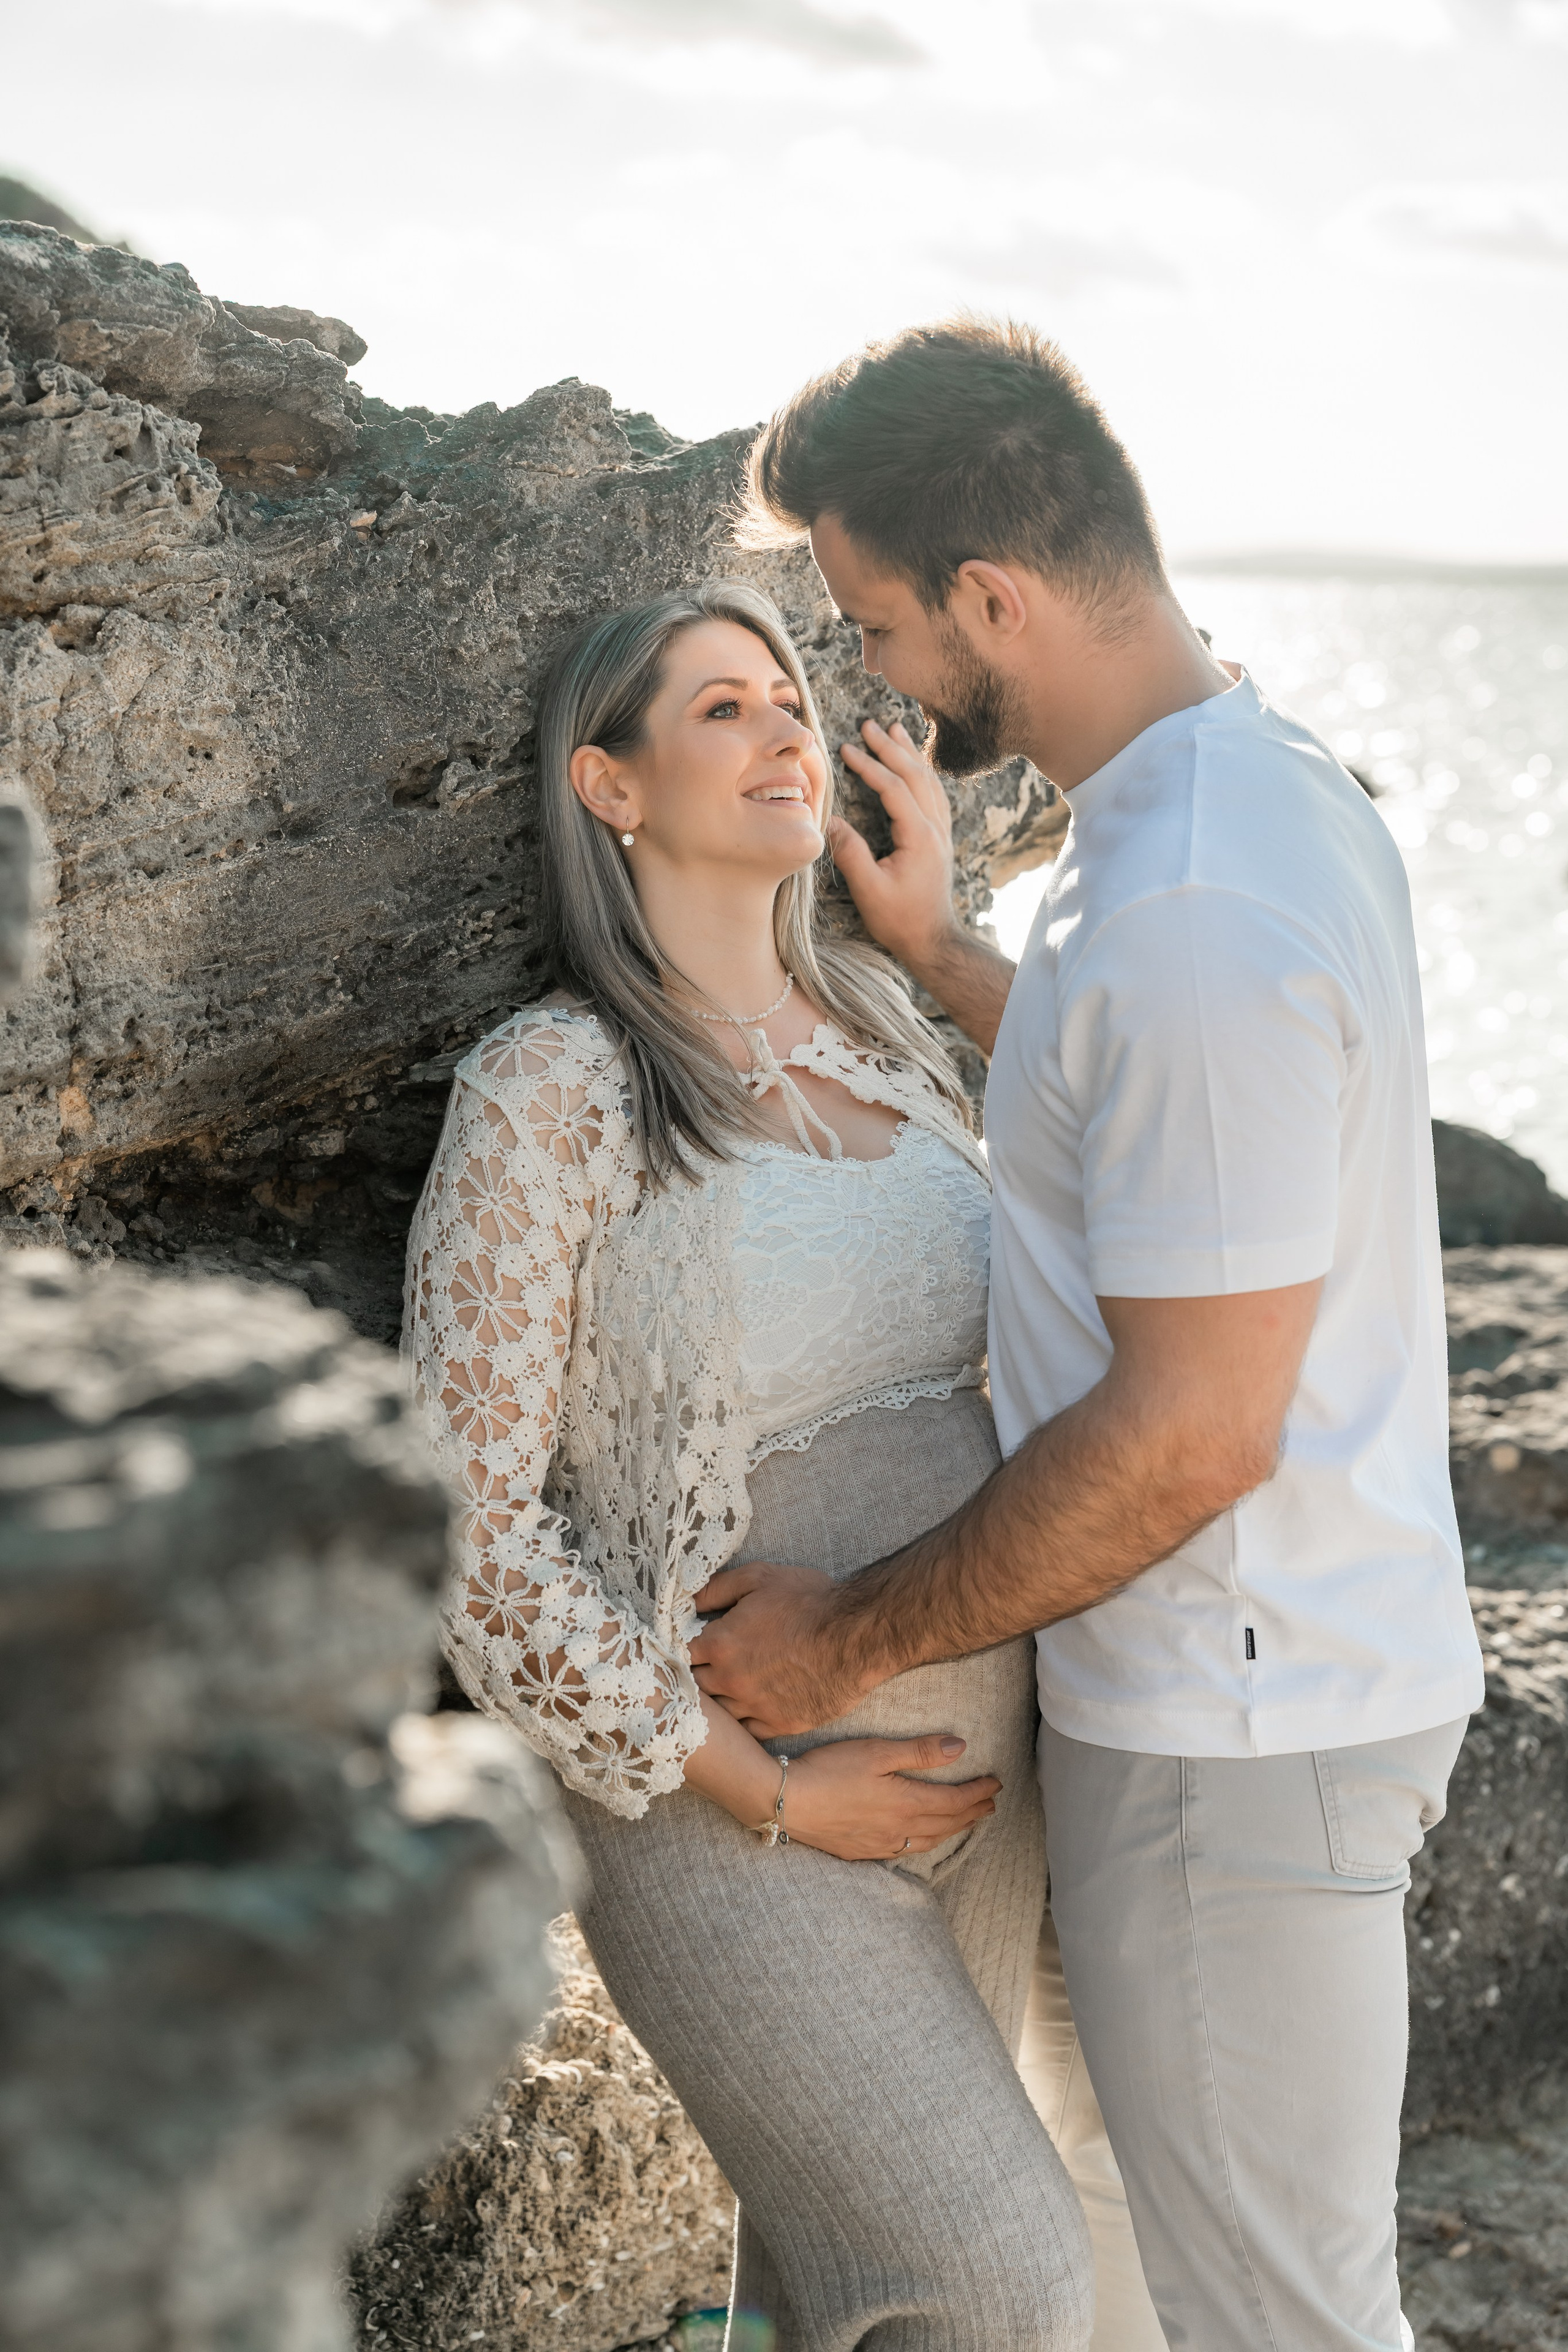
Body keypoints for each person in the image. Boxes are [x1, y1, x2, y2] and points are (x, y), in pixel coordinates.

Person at [693, 318, 1487, 2352]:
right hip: (1261, 1688)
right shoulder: (1245, 789)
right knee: (1160, 2264)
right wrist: (953, 956)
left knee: (1281, 2322)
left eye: (877, 620)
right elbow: (1157, 1121)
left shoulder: (1192, 908)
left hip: (1242, 1727)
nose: (876, 676)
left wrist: (840, 1638)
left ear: (993, 599)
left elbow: (1186, 1437)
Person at [403, 579, 1095, 2352]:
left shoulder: (893, 1032)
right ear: (609, 785)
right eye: (723, 708)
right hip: (736, 1810)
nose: (788, 725)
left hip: (987, 1759)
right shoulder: (551, 1087)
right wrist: (763, 1790)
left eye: (790, 695)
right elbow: (463, 1527)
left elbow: (1146, 1133)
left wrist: (940, 937)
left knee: (843, 2294)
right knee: (998, 2275)